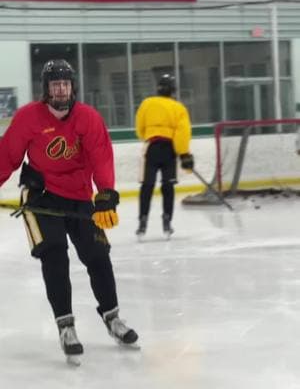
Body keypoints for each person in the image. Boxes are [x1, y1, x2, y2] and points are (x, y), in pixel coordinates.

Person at [0, 59, 138, 363]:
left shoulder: (88, 118)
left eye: (65, 84)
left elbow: (101, 157)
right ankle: (66, 326)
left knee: (98, 256)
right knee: (55, 255)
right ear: (46, 89)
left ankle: (112, 318)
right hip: (42, 199)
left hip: (79, 197)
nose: (60, 89)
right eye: (55, 84)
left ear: (72, 87)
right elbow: (7, 155)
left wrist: (105, 195)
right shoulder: (28, 118)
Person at [135, 73, 194, 238]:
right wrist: (184, 154)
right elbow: (183, 133)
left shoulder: (147, 103)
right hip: (169, 150)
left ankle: (143, 220)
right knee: (168, 186)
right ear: (173, 90)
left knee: (147, 185)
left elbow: (139, 127)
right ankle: (167, 220)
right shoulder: (179, 108)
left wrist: (148, 135)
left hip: (151, 147)